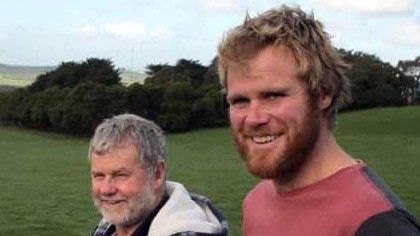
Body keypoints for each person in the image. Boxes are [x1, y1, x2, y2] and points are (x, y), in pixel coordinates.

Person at [217, 4, 420, 236]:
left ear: (324, 93)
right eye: (240, 100)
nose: (253, 118)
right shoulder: (256, 202)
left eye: (273, 96)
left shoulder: (377, 223)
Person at [89, 114, 229, 236]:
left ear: (157, 174)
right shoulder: (109, 226)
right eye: (99, 176)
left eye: (120, 175)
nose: (106, 189)